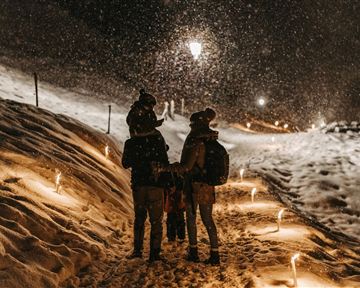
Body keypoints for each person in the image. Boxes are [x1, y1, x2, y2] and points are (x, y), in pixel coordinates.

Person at [156, 108, 221, 265]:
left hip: (193, 185)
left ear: (196, 124)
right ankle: (215, 253)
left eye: (192, 124)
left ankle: (193, 252)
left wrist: (166, 168)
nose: (190, 126)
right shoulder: (210, 138)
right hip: (207, 184)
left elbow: (186, 166)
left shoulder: (195, 140)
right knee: (208, 219)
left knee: (191, 218)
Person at [122, 92, 170, 263]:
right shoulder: (157, 139)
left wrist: (137, 157)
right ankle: (155, 253)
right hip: (155, 183)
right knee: (156, 221)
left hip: (138, 183)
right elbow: (164, 161)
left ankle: (137, 250)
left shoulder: (131, 142)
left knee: (139, 218)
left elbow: (125, 163)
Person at [164, 174, 186, 243]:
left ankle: (176, 236)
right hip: (173, 191)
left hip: (177, 192)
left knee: (177, 214)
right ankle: (174, 236)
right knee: (173, 215)